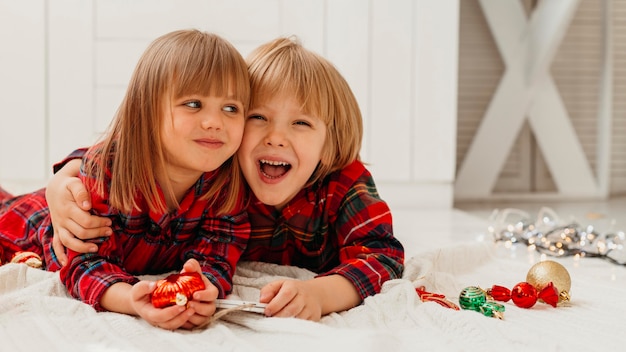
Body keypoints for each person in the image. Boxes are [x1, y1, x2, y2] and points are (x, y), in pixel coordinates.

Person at [46, 36, 405, 322]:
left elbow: (383, 254)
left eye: (301, 123)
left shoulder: (340, 185)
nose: (276, 138)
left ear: (331, 142)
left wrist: (322, 294)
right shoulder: (222, 169)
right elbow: (127, 152)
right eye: (259, 117)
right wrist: (63, 177)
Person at [0, 29, 251, 330]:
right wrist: (131, 299)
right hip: (25, 230)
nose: (215, 122)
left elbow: (217, 257)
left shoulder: (227, 185)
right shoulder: (108, 171)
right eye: (193, 104)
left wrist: (203, 288)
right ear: (147, 111)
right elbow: (82, 263)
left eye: (231, 108)